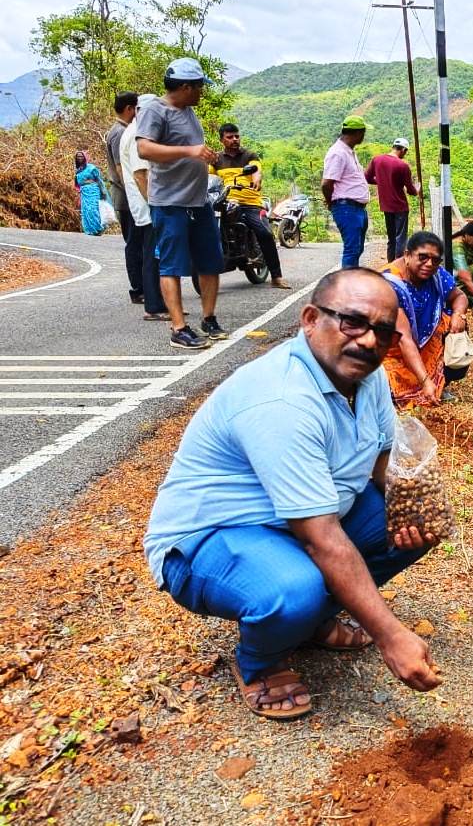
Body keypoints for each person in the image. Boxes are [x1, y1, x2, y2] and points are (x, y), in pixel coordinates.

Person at [144, 268, 443, 719]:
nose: (367, 340)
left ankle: (310, 623)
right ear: (309, 319)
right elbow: (320, 536)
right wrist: (390, 634)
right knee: (294, 589)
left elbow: (382, 461)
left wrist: (415, 508)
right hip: (215, 536)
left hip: (299, 521)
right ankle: (261, 661)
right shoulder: (283, 399)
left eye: (383, 331)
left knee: (411, 522)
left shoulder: (369, 378)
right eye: (352, 321)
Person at [136, 58, 228, 350]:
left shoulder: (189, 112)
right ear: (186, 87)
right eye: (199, 87)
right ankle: (179, 328)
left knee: (211, 261)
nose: (202, 92)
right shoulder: (155, 109)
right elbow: (144, 148)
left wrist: (204, 157)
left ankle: (209, 319)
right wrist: (190, 151)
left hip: (198, 201)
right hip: (170, 203)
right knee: (172, 265)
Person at [381, 231, 470, 407]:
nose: (429, 264)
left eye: (435, 260)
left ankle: (441, 382)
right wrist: (425, 381)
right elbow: (404, 339)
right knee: (385, 388)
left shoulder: (436, 274)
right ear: (407, 255)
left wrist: (459, 315)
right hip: (390, 349)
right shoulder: (389, 285)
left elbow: (459, 296)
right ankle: (422, 386)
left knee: (456, 323)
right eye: (422, 257)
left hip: (422, 342)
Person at [212, 123, 291, 289]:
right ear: (221, 140)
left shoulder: (249, 155)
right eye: (230, 137)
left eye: (236, 136)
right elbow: (208, 179)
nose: (234, 139)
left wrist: (256, 179)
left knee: (265, 233)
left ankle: (276, 276)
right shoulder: (216, 159)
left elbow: (256, 171)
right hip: (225, 202)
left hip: (250, 202)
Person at [120, 94, 168, 321]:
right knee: (152, 256)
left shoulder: (135, 130)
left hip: (144, 204)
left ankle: (162, 303)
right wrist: (155, 203)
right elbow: (141, 176)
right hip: (147, 205)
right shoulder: (138, 134)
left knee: (154, 254)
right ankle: (154, 306)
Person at [105, 92, 142, 303]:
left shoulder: (118, 130)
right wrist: (137, 193)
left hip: (125, 197)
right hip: (127, 199)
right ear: (129, 109)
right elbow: (121, 170)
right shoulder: (120, 133)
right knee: (135, 244)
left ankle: (141, 287)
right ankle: (138, 289)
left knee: (136, 243)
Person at [322, 115, 370, 269]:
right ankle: (347, 287)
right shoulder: (338, 153)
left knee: (356, 249)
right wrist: (331, 202)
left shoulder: (348, 151)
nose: (364, 136)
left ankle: (350, 280)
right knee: (351, 249)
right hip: (347, 207)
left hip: (356, 208)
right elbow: (327, 183)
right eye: (363, 132)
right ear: (357, 133)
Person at [365, 138, 419, 262]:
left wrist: (381, 181)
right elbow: (411, 190)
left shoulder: (377, 160)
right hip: (400, 206)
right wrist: (417, 190)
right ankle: (398, 266)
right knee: (400, 238)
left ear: (393, 146)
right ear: (403, 150)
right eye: (406, 152)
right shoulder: (403, 166)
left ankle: (390, 265)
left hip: (386, 206)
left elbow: (367, 177)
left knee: (391, 238)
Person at [74, 151, 109, 236]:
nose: (79, 158)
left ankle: (98, 229)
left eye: (81, 156)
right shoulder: (78, 171)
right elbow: (77, 183)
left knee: (93, 209)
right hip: (84, 192)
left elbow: (99, 180)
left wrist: (103, 191)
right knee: (86, 210)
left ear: (85, 157)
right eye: (78, 156)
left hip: (93, 190)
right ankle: (90, 230)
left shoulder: (91, 168)